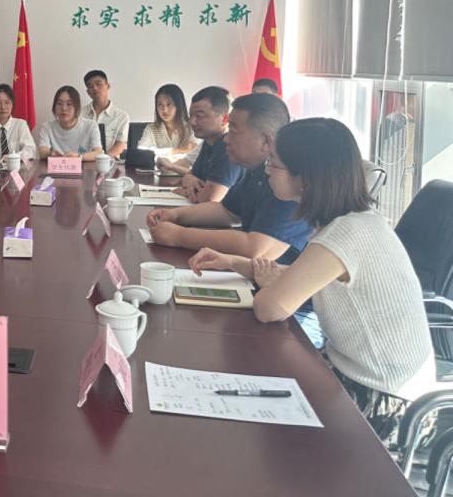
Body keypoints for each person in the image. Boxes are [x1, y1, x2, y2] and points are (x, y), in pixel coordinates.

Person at [188, 118, 434, 443]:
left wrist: (270, 286)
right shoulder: (354, 222)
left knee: (254, 418)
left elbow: (268, 308)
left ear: (305, 177)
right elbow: (297, 279)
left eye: (274, 164)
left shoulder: (345, 233)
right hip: (357, 372)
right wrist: (234, 263)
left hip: (385, 400)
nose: (267, 169)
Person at [147, 93, 312, 263]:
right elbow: (226, 211)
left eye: (233, 130)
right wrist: (175, 215)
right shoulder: (257, 169)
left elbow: (255, 248)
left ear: (265, 141)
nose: (226, 139)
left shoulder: (290, 180)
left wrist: (179, 236)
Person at [160, 86, 243, 203]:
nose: (192, 122)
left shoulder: (227, 146)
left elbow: (211, 199)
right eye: (191, 116)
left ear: (224, 119)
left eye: (199, 116)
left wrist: (189, 192)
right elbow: (189, 176)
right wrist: (189, 179)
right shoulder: (208, 142)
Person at [36, 85, 103, 160]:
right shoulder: (47, 126)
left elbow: (98, 153)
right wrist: (50, 153)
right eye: (59, 103)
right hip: (57, 166)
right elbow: (42, 152)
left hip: (84, 166)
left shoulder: (90, 126)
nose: (64, 108)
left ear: (77, 106)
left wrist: (78, 157)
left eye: (69, 104)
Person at [137, 83, 198, 156]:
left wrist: (154, 151)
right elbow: (141, 151)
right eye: (160, 105)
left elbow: (194, 152)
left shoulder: (192, 127)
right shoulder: (151, 129)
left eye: (169, 105)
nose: (164, 110)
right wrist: (178, 150)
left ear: (179, 105)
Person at [81, 70, 129, 156]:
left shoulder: (121, 116)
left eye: (98, 84)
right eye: (90, 86)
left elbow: (120, 144)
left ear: (108, 86)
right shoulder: (79, 114)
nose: (95, 88)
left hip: (110, 161)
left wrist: (104, 160)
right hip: (83, 161)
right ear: (88, 92)